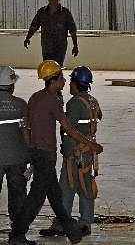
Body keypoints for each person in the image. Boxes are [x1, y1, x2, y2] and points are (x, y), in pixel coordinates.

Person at [9, 60, 103, 245]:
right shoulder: (53, 101)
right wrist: (92, 146)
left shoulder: (35, 97)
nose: (65, 80)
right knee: (36, 199)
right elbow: (69, 129)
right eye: (61, 77)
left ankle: (71, 232)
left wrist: (30, 150)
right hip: (46, 155)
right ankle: (17, 235)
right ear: (53, 80)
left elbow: (25, 126)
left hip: (38, 153)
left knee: (56, 197)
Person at [39, 66, 102, 238]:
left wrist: (66, 150)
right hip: (88, 153)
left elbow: (70, 130)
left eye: (71, 81)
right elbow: (97, 118)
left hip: (74, 154)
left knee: (66, 189)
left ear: (75, 83)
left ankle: (61, 224)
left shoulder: (74, 103)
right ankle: (85, 223)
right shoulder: (93, 101)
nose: (68, 84)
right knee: (86, 188)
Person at [0, 67, 30, 226]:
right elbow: (26, 132)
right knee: (18, 196)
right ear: (12, 85)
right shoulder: (21, 105)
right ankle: (18, 232)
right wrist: (31, 154)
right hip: (17, 159)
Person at [24, 0, 78, 67]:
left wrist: (75, 45)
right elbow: (34, 26)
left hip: (60, 48)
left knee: (57, 68)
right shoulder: (41, 12)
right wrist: (27, 38)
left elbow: (72, 30)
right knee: (47, 69)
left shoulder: (65, 13)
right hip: (46, 48)